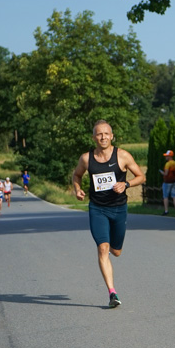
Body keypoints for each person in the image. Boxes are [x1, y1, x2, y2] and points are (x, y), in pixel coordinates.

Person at [72, 120, 145, 308]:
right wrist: (77, 188)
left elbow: (141, 176)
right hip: (97, 208)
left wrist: (126, 184)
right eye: (99, 134)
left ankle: (113, 249)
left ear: (112, 136)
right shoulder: (87, 159)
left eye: (106, 134)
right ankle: (112, 293)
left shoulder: (122, 156)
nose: (103, 137)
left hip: (119, 208)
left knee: (116, 251)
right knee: (103, 248)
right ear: (93, 137)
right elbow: (77, 175)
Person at [160, 150, 175, 215]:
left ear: (169, 156)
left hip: (167, 181)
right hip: (173, 181)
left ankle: (166, 210)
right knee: (174, 195)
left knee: (165, 196)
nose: (166, 157)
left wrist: (162, 173)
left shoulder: (168, 164)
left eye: (166, 156)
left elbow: (166, 173)